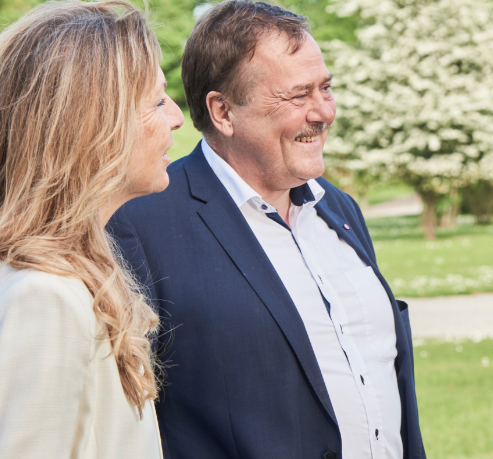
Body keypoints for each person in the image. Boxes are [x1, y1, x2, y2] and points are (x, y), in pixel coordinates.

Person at [107, 2, 425, 458]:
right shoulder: (139, 223)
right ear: (223, 112)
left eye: (326, 88)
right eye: (298, 96)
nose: (323, 112)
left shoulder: (339, 208)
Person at [0, 1, 184, 458]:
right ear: (95, 127)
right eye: (156, 101)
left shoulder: (40, 277)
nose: (176, 117)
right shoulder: (40, 298)